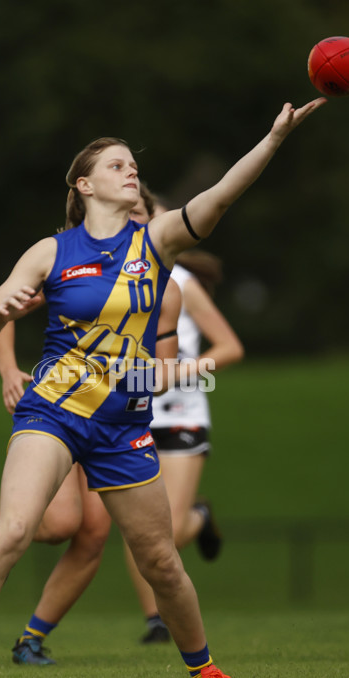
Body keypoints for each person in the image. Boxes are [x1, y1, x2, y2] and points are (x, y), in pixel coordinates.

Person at [0, 97, 325, 678]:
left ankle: (203, 669)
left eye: (132, 166)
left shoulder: (157, 242)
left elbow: (225, 193)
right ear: (85, 184)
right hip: (53, 410)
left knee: (160, 561)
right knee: (15, 530)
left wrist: (275, 137)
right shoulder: (50, 252)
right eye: (117, 165)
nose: (131, 172)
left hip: (123, 424)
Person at [0, 185, 181, 666]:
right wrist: (9, 370)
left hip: (114, 420)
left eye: (142, 214)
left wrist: (128, 375)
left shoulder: (166, 289)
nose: (133, 220)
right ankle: (5, 529)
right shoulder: (69, 253)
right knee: (57, 524)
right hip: (60, 407)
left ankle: (31, 638)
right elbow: (1, 309)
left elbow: (161, 373)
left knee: (94, 535)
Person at [126, 246, 245, 644]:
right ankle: (155, 620)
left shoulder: (181, 282)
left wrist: (177, 371)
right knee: (135, 526)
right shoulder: (107, 276)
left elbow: (230, 347)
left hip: (181, 414)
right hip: (128, 415)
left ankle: (199, 516)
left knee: (169, 530)